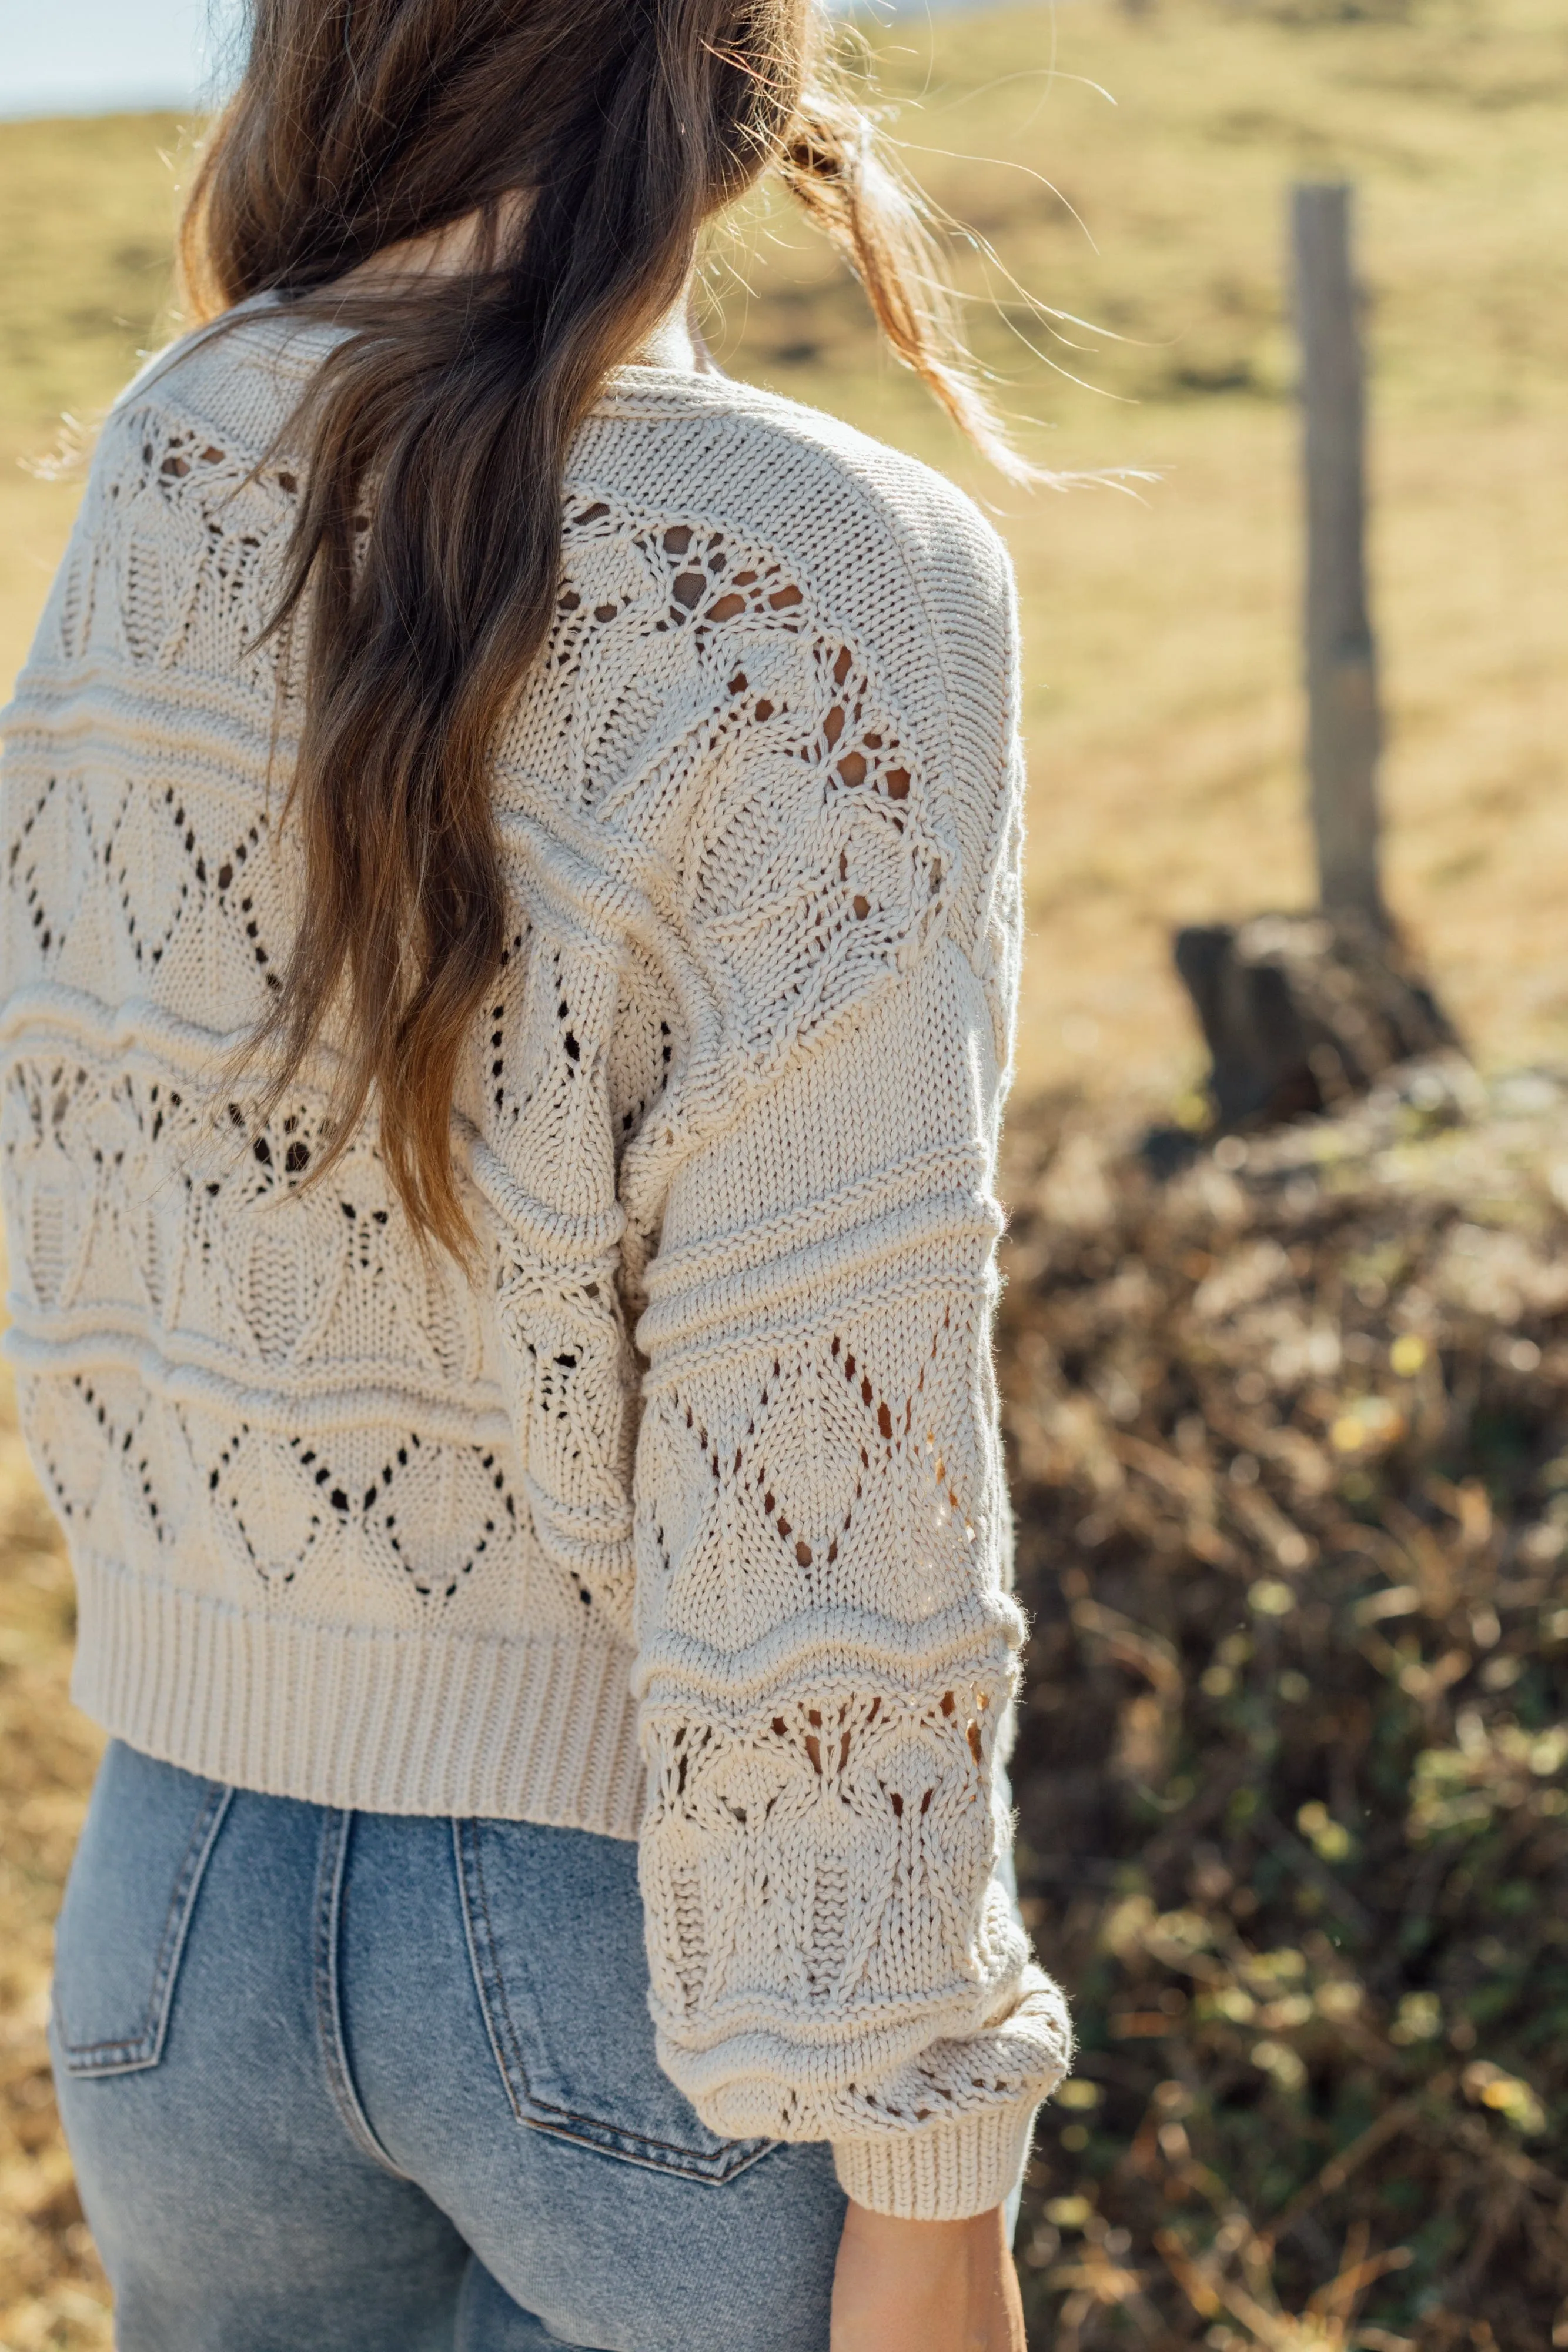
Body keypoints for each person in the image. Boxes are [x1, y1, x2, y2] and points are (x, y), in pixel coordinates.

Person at [0, 3, 1073, 2346]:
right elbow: (830, 1402)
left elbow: (84, 1181)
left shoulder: (181, 452)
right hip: (642, 1952)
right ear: (752, 86)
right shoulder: (833, 568)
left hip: (177, 1900)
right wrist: (926, 2141)